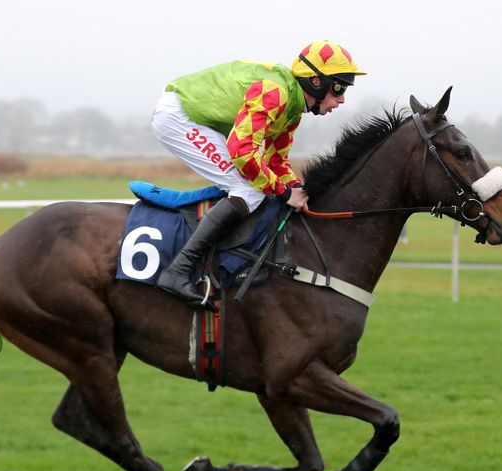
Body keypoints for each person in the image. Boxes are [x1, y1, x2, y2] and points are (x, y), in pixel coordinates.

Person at [151, 40, 366, 306]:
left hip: (198, 119)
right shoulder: (276, 93)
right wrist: (284, 192)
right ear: (315, 82)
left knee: (256, 185)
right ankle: (178, 270)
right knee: (249, 189)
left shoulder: (292, 111)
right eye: (338, 87)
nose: (342, 98)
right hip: (178, 117)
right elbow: (242, 151)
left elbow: (275, 161)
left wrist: (302, 189)